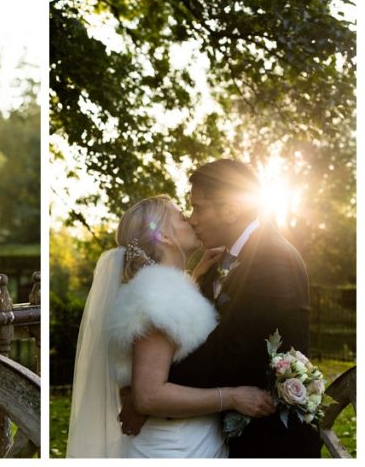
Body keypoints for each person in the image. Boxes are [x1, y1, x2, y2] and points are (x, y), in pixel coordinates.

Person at [66, 194, 274, 458]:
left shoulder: (165, 288)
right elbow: (148, 396)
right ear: (163, 236)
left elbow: (173, 354)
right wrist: (232, 397)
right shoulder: (158, 295)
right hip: (173, 449)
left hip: (185, 441)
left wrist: (195, 278)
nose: (193, 220)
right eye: (182, 217)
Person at [156, 159, 322, 457]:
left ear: (231, 209)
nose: (193, 219)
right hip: (228, 432)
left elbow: (230, 349)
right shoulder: (217, 263)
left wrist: (155, 389)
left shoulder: (273, 258)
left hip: (271, 440)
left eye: (199, 208)